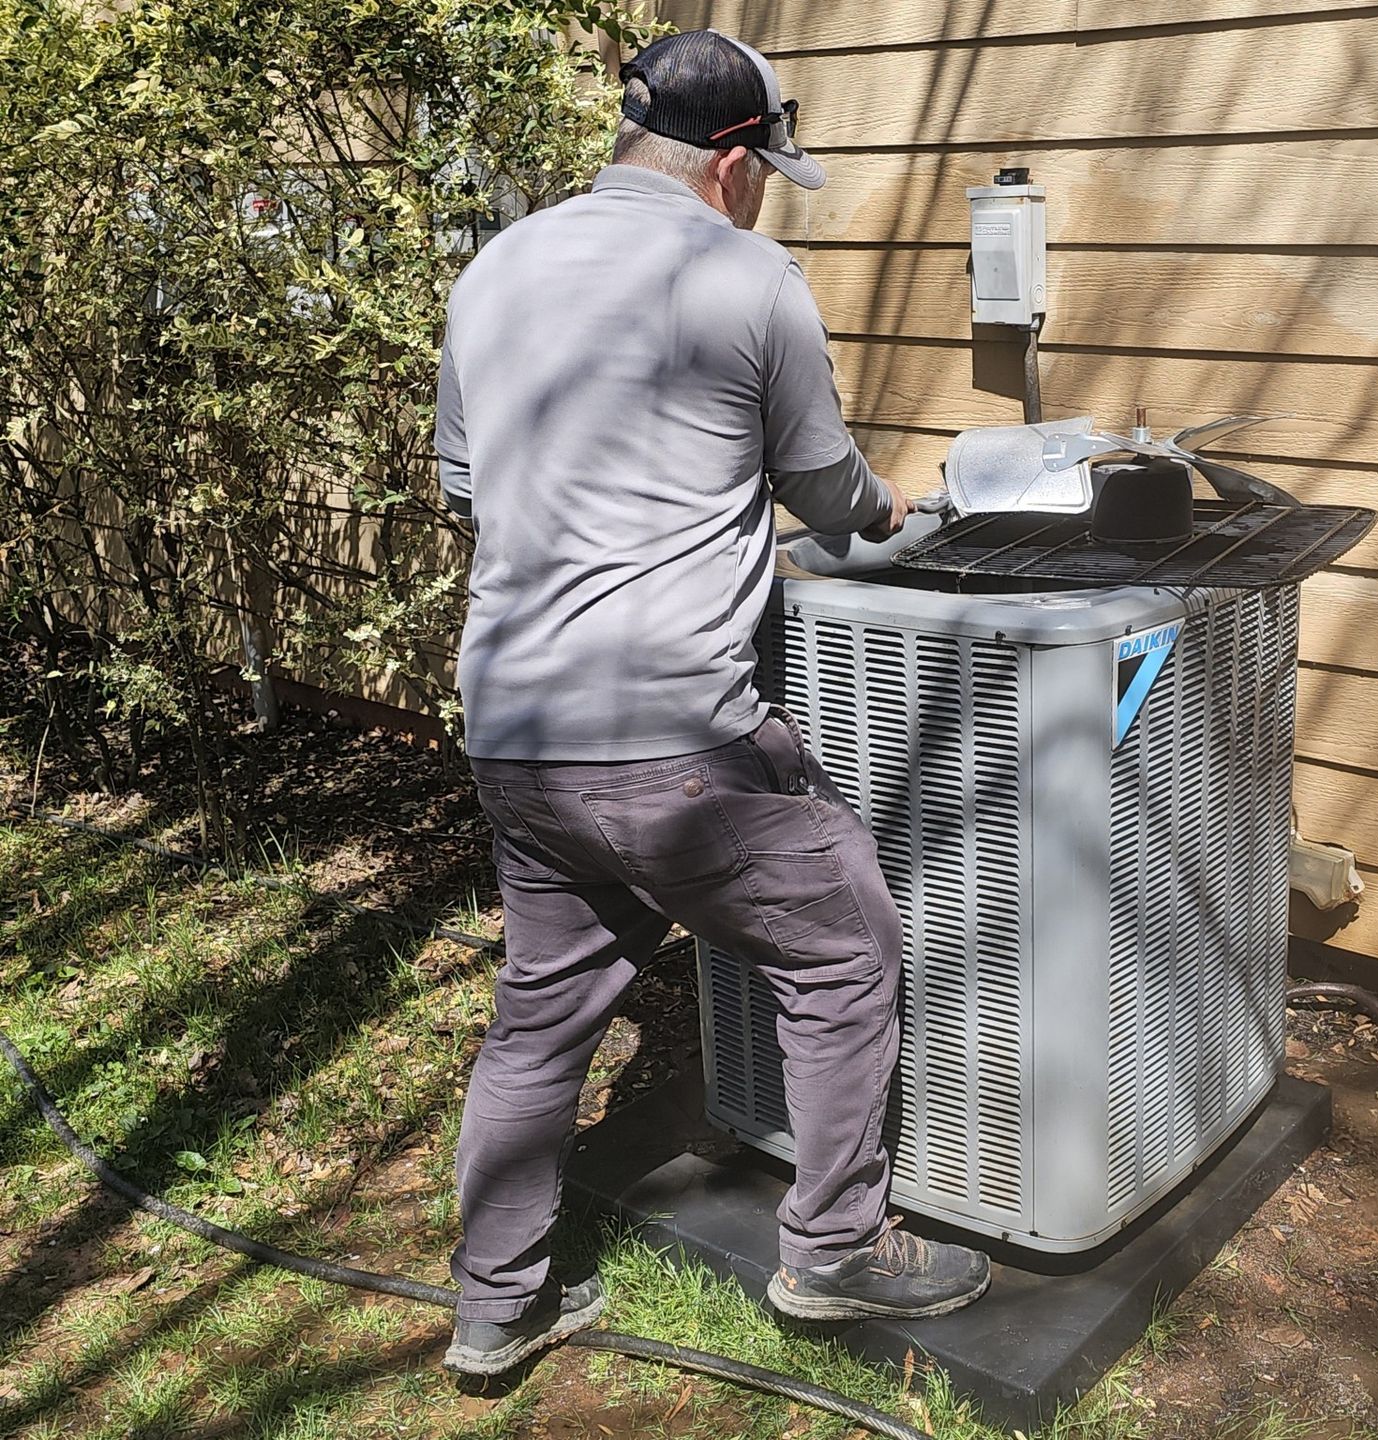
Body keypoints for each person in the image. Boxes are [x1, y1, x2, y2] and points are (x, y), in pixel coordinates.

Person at [432, 28, 991, 1377]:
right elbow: (827, 494)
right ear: (733, 164)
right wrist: (888, 505)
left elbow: (464, 485)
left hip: (518, 730)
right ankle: (838, 1247)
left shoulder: (497, 268)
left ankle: (495, 1303)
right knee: (844, 942)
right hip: (674, 737)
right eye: (764, 169)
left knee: (542, 1013)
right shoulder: (746, 277)